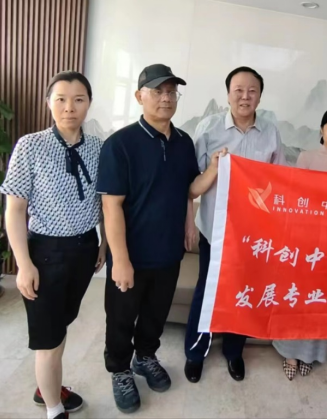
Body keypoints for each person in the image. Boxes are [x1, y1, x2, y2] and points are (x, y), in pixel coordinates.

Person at [2, 71, 108, 420]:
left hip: (84, 250)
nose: (69, 107)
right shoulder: (30, 145)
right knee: (47, 339)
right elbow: (15, 209)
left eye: (78, 99)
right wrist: (23, 264)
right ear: (49, 103)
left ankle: (45, 387)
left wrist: (103, 243)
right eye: (61, 99)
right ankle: (53, 408)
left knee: (60, 326)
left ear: (88, 104)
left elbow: (105, 202)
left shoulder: (98, 148)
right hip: (45, 254)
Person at [97, 64, 199, 414]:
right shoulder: (120, 144)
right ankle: (120, 370)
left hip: (168, 252)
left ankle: (145, 357)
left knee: (156, 313)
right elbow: (111, 206)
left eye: (171, 92)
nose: (166, 98)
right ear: (139, 96)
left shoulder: (184, 142)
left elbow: (189, 189)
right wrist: (120, 260)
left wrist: (191, 220)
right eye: (158, 91)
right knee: (121, 317)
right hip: (132, 254)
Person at [185, 66, 286, 384]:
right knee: (207, 290)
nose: (245, 96)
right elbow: (191, 184)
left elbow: (280, 183)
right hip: (214, 229)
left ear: (260, 96)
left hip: (252, 234)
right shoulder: (209, 128)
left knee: (244, 291)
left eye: (252, 91)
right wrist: (215, 168)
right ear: (228, 94)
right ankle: (195, 353)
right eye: (238, 90)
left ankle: (233, 352)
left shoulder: (270, 133)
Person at [273, 107, 327, 381]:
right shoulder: (306, 158)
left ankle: (309, 354)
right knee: (298, 297)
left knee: (322, 300)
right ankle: (290, 353)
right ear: (322, 129)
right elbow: (297, 200)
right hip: (305, 240)